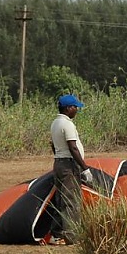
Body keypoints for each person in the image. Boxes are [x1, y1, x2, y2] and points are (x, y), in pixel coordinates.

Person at [49, 94, 93, 245]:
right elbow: (73, 147)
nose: (77, 110)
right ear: (68, 108)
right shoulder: (67, 124)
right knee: (71, 200)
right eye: (75, 107)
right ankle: (72, 236)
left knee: (60, 199)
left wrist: (59, 158)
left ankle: (56, 235)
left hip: (59, 163)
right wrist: (84, 168)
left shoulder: (55, 123)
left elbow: (53, 145)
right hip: (68, 165)